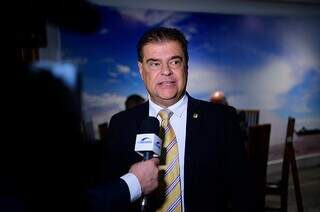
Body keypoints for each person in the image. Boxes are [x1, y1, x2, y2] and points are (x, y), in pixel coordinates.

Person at [102, 27, 258, 211]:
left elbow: (243, 192)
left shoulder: (222, 119)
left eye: (174, 62)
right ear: (141, 69)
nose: (166, 71)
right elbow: (109, 192)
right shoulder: (121, 124)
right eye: (154, 64)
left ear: (186, 66)